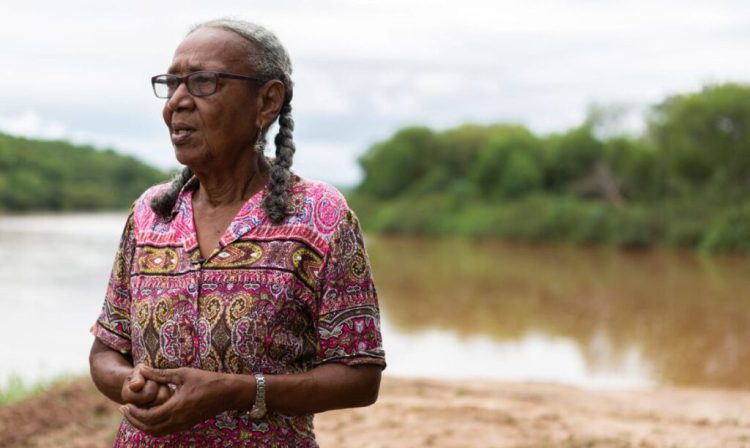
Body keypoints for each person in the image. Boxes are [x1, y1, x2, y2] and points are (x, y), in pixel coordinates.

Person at [88, 18, 386, 447]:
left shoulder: (321, 216)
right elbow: (106, 350)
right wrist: (130, 382)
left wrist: (238, 391)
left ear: (267, 101)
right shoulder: (151, 214)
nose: (177, 102)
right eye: (172, 84)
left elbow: (360, 377)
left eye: (203, 82)